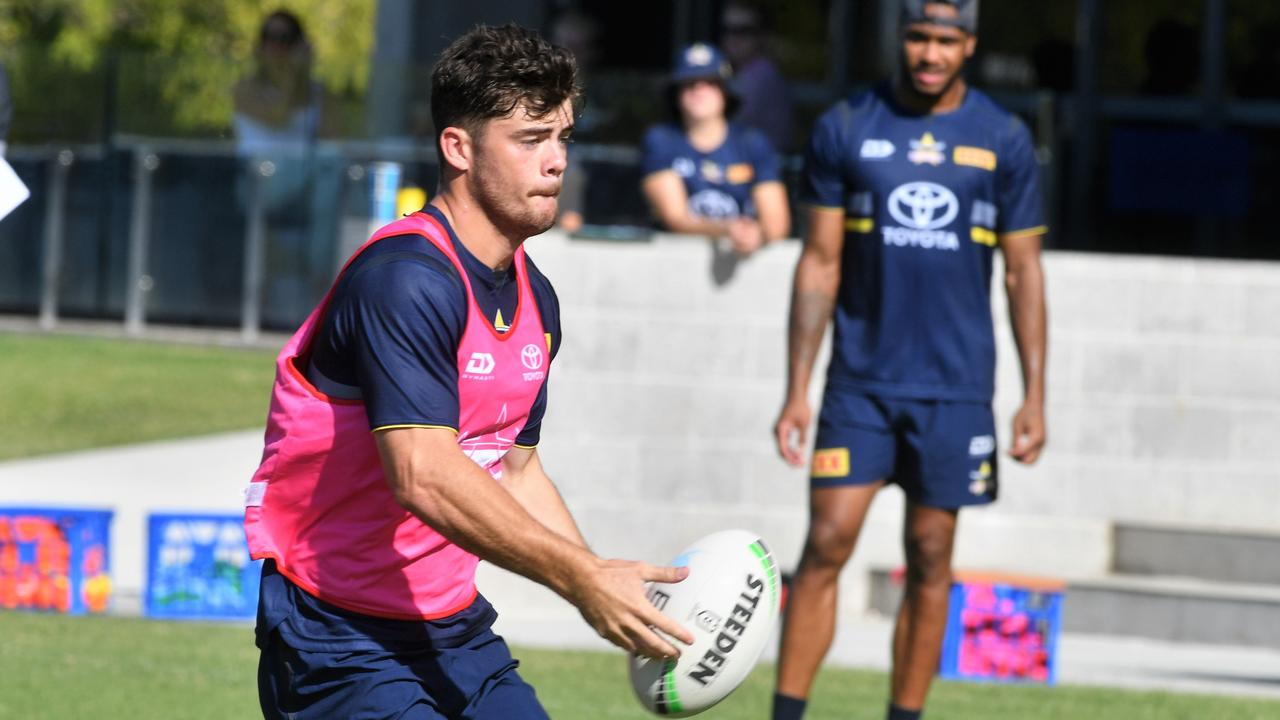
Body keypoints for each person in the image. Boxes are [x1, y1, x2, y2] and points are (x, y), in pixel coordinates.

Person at [243, 24, 693, 720]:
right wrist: (580, 578)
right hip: (337, 632)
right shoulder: (404, 279)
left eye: (563, 137)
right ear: (458, 147)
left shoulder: (535, 296)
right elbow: (421, 471)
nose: (555, 162)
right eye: (530, 138)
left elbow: (516, 469)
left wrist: (606, 586)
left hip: (451, 626)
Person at [771, 2, 1047, 719]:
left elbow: (1023, 273)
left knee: (930, 556)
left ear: (970, 45)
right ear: (902, 38)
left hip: (956, 391)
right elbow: (819, 265)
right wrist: (797, 389)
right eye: (919, 37)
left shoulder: (1003, 139)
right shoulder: (846, 127)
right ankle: (787, 713)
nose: (930, 52)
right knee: (826, 542)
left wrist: (1034, 395)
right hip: (858, 386)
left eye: (946, 40)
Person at [232, 9, 341, 327]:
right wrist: (293, 75)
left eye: (287, 40)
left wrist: (308, 80)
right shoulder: (246, 88)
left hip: (308, 185)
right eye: (271, 38)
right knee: (329, 170)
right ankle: (320, 276)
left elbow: (334, 138)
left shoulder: (318, 93)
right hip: (258, 181)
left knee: (336, 171)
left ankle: (326, 276)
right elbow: (278, 116)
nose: (278, 47)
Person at [641, 42, 790, 258]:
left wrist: (758, 234)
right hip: (674, 262)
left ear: (726, 92)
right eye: (689, 83)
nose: (699, 91)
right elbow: (675, 217)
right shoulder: (661, 140)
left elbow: (777, 223)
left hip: (743, 265)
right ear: (676, 94)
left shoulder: (753, 143)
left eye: (711, 83)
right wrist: (730, 229)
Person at [720, 1, 794, 153]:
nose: (733, 38)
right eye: (727, 30)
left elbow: (721, 130)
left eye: (743, 31)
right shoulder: (737, 71)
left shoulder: (762, 75)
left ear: (762, 36)